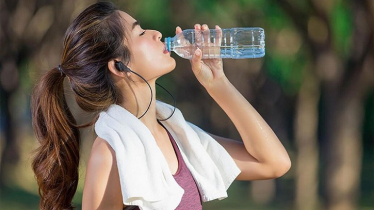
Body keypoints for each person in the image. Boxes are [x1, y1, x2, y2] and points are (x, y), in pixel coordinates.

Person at [31, 2, 291, 210]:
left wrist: (218, 83)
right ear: (119, 66)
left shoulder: (181, 139)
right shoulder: (110, 154)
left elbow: (274, 163)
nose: (156, 33)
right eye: (140, 32)